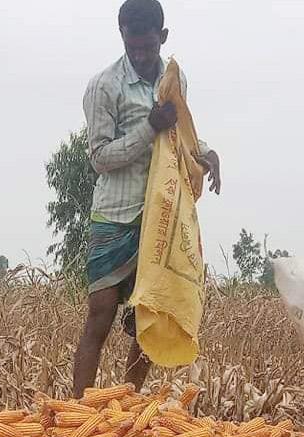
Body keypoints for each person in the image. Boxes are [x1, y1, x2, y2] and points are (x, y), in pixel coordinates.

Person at [71, 0, 222, 399]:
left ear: (163, 38)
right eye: (132, 46)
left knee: (147, 317)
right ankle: (77, 415)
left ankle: (125, 405)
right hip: (115, 215)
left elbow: (179, 136)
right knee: (100, 316)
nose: (140, 54)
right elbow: (100, 158)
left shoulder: (175, 81)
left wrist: (206, 153)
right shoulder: (105, 86)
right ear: (122, 36)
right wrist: (147, 128)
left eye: (148, 47)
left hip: (160, 216)